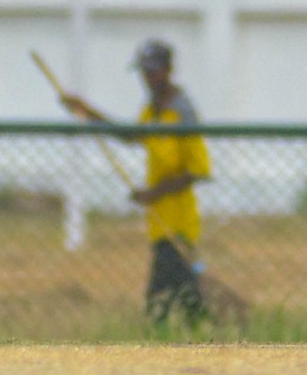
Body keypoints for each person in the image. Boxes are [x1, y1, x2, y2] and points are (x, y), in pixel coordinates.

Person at [60, 38, 212, 328]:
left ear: (168, 70)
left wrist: (154, 193)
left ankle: (173, 337)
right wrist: (87, 112)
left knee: (160, 299)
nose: (148, 78)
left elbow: (198, 170)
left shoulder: (182, 112)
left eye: (153, 71)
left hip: (178, 223)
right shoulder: (152, 109)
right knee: (185, 296)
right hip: (158, 224)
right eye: (144, 72)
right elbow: (130, 135)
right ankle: (205, 332)